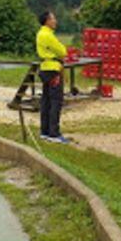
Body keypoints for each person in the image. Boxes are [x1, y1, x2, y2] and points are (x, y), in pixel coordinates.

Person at [36, 11, 69, 144]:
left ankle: (45, 131)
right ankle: (53, 133)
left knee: (46, 101)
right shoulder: (48, 35)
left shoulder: (40, 33)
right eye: (53, 19)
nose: (55, 21)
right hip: (53, 69)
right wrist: (62, 50)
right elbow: (62, 51)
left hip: (45, 68)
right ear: (47, 21)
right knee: (56, 101)